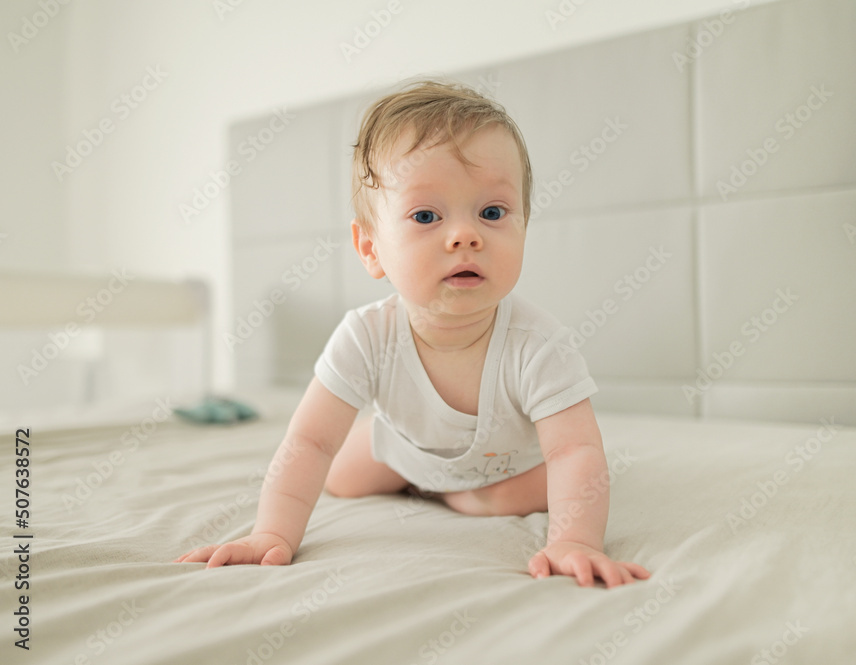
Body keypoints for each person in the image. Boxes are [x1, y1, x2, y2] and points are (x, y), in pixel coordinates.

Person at [175, 79, 649, 588]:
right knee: (338, 475)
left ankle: (452, 493)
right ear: (371, 248)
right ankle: (413, 468)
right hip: (400, 449)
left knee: (508, 497)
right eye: (426, 216)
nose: (465, 235)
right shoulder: (365, 336)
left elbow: (573, 451)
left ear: (524, 226)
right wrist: (271, 533)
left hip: (502, 467)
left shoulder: (538, 346)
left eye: (493, 213)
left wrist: (574, 539)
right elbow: (309, 442)